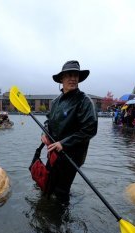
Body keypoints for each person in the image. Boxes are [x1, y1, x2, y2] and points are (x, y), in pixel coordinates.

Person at [41, 60, 98, 201]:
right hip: (53, 152)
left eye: (75, 75)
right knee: (47, 186)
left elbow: (90, 129)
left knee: (61, 193)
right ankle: (44, 217)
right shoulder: (55, 102)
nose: (72, 78)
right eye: (68, 75)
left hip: (71, 155)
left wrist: (64, 143)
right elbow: (49, 121)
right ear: (61, 79)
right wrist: (44, 132)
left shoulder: (84, 101)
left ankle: (60, 220)